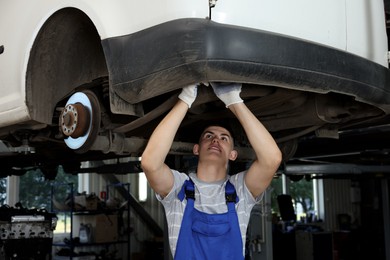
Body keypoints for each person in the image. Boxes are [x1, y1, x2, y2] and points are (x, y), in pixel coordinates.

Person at [141, 82, 282, 259]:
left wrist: (233, 100)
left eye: (224, 138)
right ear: (196, 149)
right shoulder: (179, 188)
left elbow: (272, 159)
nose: (215, 140)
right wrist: (185, 98)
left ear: (233, 154)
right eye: (209, 136)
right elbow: (149, 163)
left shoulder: (240, 190)